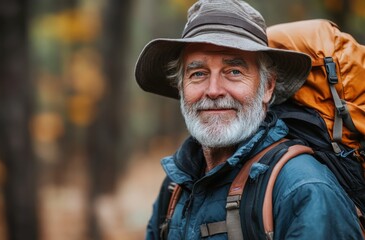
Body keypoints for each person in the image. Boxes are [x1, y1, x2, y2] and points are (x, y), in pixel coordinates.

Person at [134, 0, 364, 239]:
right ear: (181, 87)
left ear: (267, 87)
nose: (213, 90)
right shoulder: (176, 187)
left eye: (234, 72)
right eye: (198, 73)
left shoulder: (303, 190)